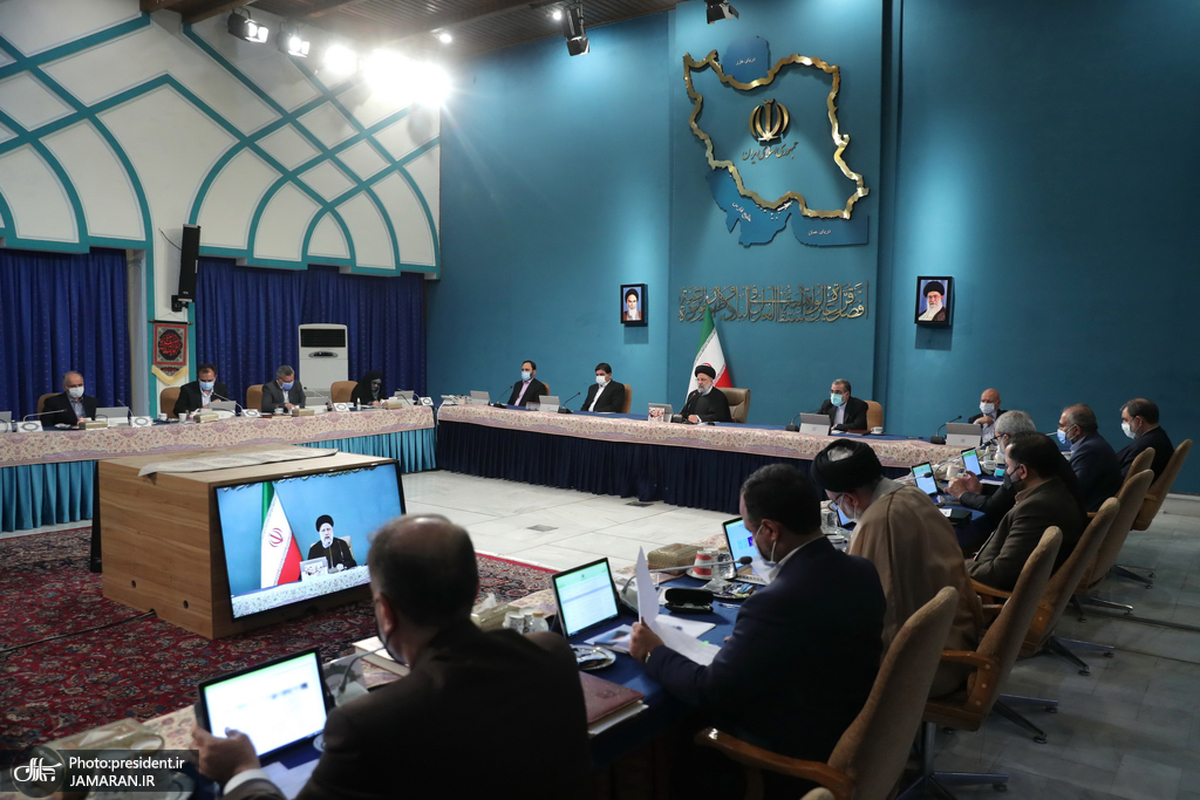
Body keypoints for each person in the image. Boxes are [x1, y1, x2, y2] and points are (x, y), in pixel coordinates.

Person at [192, 514, 591, 799]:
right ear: (474, 591)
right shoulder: (551, 653)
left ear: (385, 611)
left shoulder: (366, 724)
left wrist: (242, 770)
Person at [629, 464, 885, 795]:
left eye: (751, 532)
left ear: (770, 530)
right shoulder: (862, 570)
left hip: (793, 754)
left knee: (686, 729)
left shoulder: (775, 603)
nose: (751, 542)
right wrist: (753, 647)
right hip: (846, 722)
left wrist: (653, 652)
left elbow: (708, 690)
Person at [811, 440, 984, 697]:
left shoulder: (878, 522)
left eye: (836, 503)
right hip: (957, 640)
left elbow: (875, 614)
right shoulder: (913, 495)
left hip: (925, 668)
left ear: (849, 498)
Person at [969, 433, 1087, 591]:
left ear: (1023, 471)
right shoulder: (1057, 491)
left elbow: (999, 575)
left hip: (988, 591)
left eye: (1008, 466)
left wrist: (959, 564)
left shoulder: (1036, 509)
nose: (1007, 472)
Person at [947, 410, 1037, 554]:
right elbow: (1009, 493)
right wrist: (981, 488)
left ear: (1005, 438)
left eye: (996, 438)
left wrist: (962, 493)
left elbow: (993, 506)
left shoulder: (1018, 463)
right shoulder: (1036, 451)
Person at [1058, 403, 1123, 512]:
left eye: (1062, 426)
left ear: (1076, 430)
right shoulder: (1095, 443)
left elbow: (1072, 491)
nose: (1059, 429)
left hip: (1084, 513)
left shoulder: (1090, 450)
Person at [1117, 398, 1174, 479]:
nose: (1123, 423)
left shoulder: (1144, 446)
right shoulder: (1159, 437)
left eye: (1126, 420)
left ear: (1139, 421)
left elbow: (1122, 479)